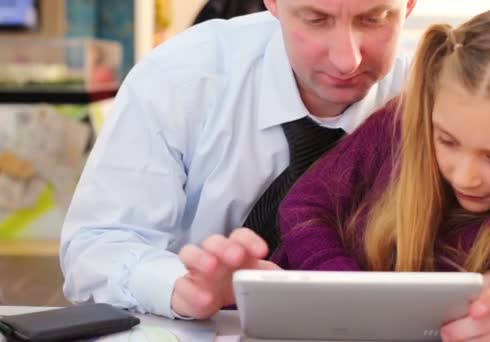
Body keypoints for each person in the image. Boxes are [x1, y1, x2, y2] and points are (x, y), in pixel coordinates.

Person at [191, 5, 490, 340]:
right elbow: (306, 205)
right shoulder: (401, 126)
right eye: (446, 140)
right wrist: (352, 293)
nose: (465, 176)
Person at [60, 0, 417, 319]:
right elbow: (96, 247)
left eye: (374, 19)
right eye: (316, 19)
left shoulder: (435, 98)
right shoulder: (179, 78)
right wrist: (180, 288)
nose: (346, 60)